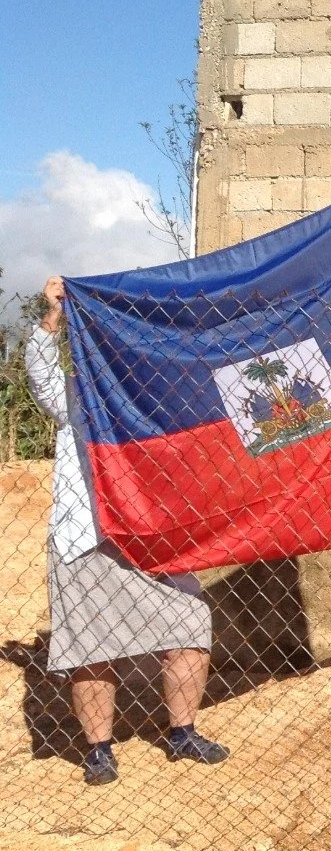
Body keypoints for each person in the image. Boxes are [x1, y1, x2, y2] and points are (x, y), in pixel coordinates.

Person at [24, 276, 228, 786]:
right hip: (85, 536)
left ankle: (181, 734)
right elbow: (42, 376)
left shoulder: (164, 403)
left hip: (153, 538)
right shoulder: (79, 396)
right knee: (92, 649)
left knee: (190, 624)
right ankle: (99, 749)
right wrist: (54, 317)